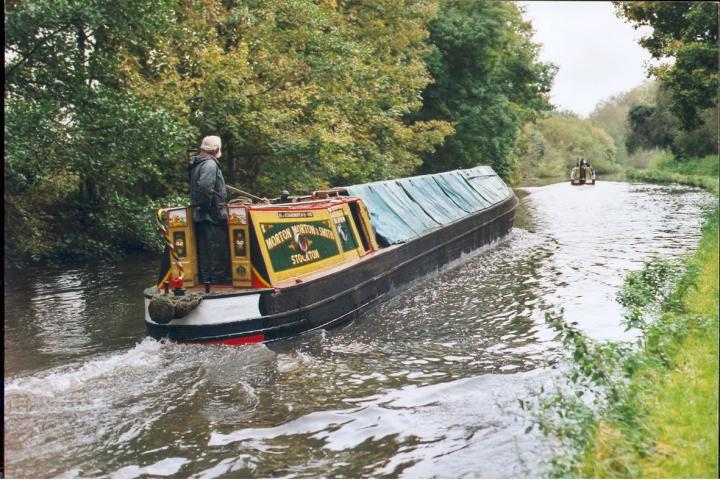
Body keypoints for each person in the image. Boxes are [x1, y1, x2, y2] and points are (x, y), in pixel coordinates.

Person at [189, 135, 232, 284]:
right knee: (216, 249)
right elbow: (205, 187)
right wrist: (209, 207)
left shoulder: (197, 163)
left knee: (205, 251)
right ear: (216, 149)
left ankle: (207, 280)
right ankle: (217, 282)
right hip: (211, 215)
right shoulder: (210, 164)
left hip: (201, 214)